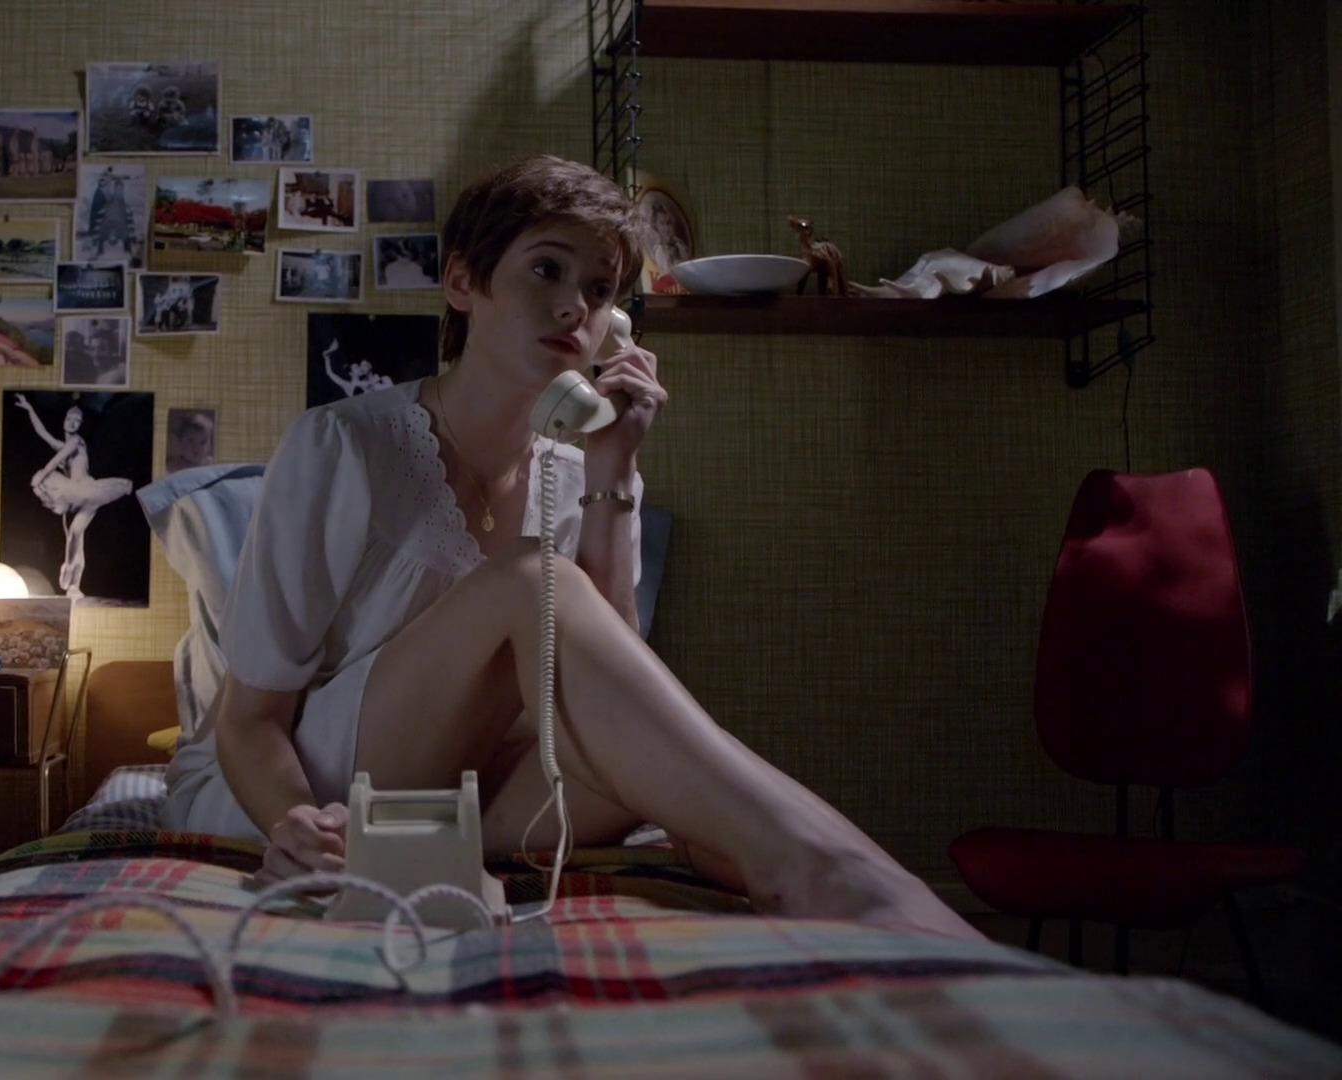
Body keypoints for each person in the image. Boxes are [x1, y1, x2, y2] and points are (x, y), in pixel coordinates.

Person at [162, 154, 977, 940]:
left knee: (649, 770)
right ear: (463, 283)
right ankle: (823, 872)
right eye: (546, 271)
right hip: (291, 789)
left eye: (599, 290)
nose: (573, 308)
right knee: (529, 580)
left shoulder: (582, 475)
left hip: (452, 793)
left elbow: (611, 686)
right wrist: (294, 825)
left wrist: (615, 467)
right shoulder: (343, 444)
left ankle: (842, 888)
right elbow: (249, 721)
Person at [15, 393, 133, 599]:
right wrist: (29, 409)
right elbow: (42, 433)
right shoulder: (63, 444)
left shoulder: (77, 441)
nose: (72, 423)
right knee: (75, 536)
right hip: (78, 499)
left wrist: (43, 473)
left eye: (76, 421)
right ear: (64, 420)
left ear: (80, 425)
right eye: (69, 419)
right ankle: (74, 585)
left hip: (87, 490)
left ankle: (70, 571)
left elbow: (58, 459)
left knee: (123, 487)